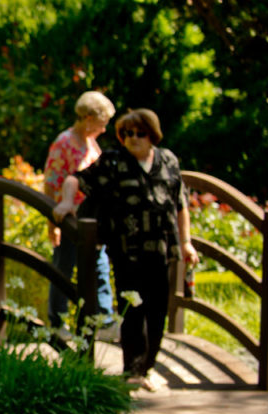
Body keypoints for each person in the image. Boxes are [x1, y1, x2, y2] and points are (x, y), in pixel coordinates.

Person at [53, 109, 199, 391]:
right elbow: (75, 179)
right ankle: (132, 369)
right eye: (126, 134)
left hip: (161, 248)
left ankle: (148, 367)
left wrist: (186, 242)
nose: (133, 139)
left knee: (158, 310)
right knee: (133, 308)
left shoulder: (168, 160)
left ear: (152, 135)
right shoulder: (113, 161)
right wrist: (66, 202)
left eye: (139, 133)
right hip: (126, 249)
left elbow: (180, 205)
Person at [43, 91, 116, 331]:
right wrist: (52, 223)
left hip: (92, 220)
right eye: (101, 123)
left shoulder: (91, 143)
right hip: (69, 220)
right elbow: (51, 183)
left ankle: (103, 319)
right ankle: (57, 321)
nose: (104, 130)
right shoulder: (64, 143)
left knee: (99, 266)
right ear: (87, 118)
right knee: (64, 269)